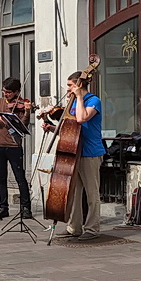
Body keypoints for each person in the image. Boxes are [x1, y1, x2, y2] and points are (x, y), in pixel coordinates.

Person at [41, 71, 105, 240]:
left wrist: (79, 98)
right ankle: (73, 227)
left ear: (79, 84)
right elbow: (71, 129)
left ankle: (92, 229)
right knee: (74, 192)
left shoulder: (93, 101)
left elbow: (82, 119)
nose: (67, 88)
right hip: (73, 151)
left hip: (90, 152)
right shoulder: (73, 102)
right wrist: (53, 128)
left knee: (92, 194)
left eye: (70, 85)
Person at [0, 77, 34, 220]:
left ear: (16, 92)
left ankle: (26, 208)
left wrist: (27, 112)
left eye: (8, 92)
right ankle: (3, 207)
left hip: (14, 146)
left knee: (20, 177)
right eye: (4, 91)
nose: (5, 94)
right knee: (1, 178)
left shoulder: (22, 104)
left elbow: (24, 125)